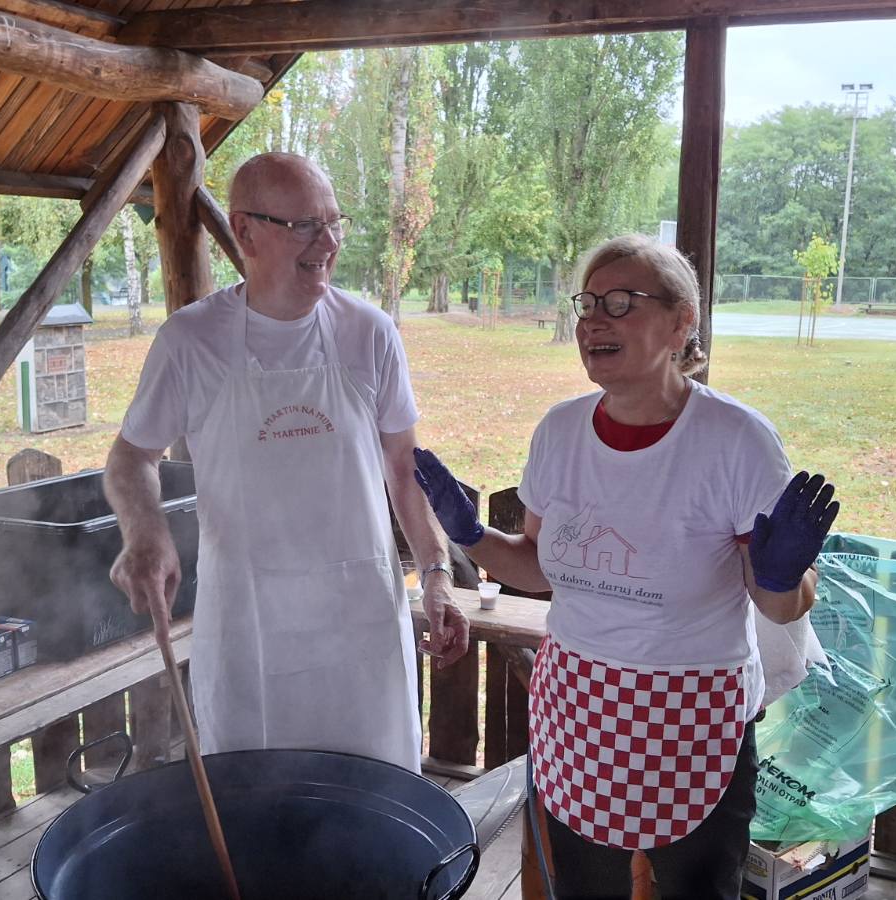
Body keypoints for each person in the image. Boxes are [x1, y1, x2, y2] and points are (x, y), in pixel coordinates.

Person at [414, 235, 837, 899]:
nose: (593, 321)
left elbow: (779, 605)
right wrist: (472, 536)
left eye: (620, 303)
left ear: (682, 322)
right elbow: (540, 569)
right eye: (587, 304)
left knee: (695, 891)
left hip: (693, 711)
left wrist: (781, 577)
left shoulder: (735, 440)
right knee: (584, 888)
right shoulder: (560, 432)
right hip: (579, 706)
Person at [103, 152, 469, 772]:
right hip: (248, 631)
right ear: (244, 231)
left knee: (372, 807)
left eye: (333, 223)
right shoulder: (192, 342)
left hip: (360, 625)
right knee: (256, 816)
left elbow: (403, 467)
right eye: (303, 226)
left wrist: (436, 573)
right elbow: (131, 457)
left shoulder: (368, 332)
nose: (327, 243)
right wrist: (145, 533)